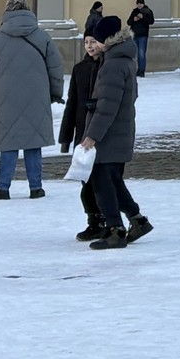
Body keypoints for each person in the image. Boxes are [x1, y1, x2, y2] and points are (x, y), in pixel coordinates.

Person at [0, 0, 64, 199]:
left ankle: (3, 186)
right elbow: (56, 68)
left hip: (6, 97)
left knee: (9, 141)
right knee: (33, 140)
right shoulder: (43, 37)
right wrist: (55, 92)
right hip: (37, 95)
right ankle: (36, 187)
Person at [81, 15, 152, 248]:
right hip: (119, 131)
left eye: (97, 39)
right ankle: (137, 220)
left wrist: (92, 136)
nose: (94, 44)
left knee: (102, 183)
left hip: (109, 135)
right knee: (112, 182)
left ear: (106, 39)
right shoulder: (123, 58)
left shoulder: (113, 63)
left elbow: (107, 106)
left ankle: (115, 230)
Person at [60, 33, 105, 240]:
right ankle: (93, 220)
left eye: (93, 42)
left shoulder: (107, 68)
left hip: (102, 133)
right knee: (85, 180)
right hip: (82, 132)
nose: (89, 46)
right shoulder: (80, 69)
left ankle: (107, 218)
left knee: (102, 180)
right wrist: (65, 136)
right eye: (86, 42)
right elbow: (72, 103)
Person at [126, 0, 155, 77]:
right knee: (135, 54)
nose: (139, 5)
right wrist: (133, 20)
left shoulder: (148, 11)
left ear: (143, 4)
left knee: (141, 54)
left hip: (143, 35)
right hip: (134, 35)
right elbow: (128, 22)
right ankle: (136, 70)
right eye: (138, 4)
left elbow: (151, 21)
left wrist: (143, 18)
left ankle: (142, 70)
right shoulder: (134, 11)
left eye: (140, 4)